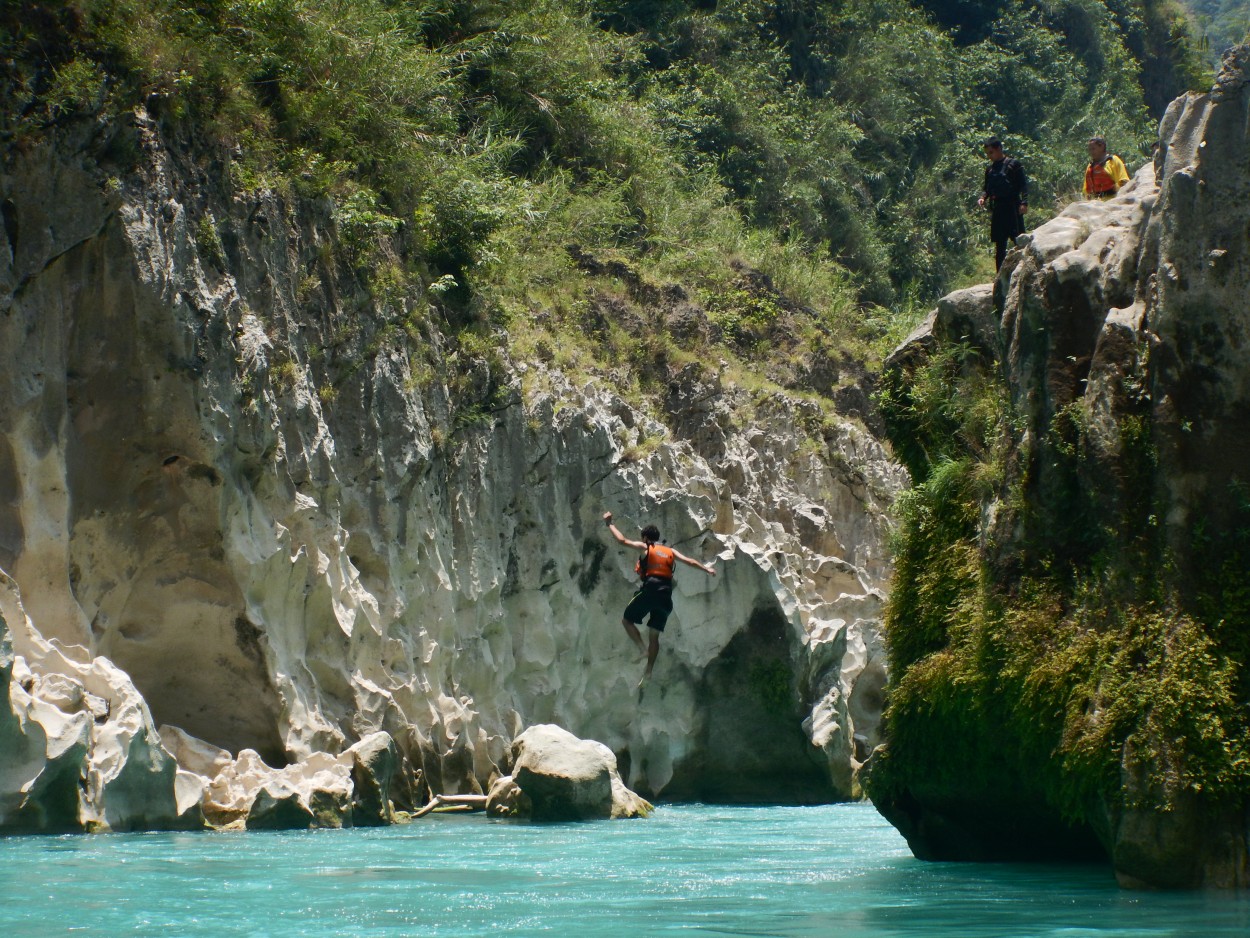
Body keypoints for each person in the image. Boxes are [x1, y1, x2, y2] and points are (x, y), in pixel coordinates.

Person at [603, 511, 716, 685]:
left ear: (646, 538)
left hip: (651, 591)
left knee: (627, 620)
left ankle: (642, 650)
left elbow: (622, 541)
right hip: (665, 598)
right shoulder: (670, 551)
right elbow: (690, 561)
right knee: (654, 636)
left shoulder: (646, 548)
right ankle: (648, 671)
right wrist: (706, 569)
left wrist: (609, 523)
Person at [977, 137, 1028, 271]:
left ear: (999, 149)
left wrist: (1024, 203)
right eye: (987, 153)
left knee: (1019, 240)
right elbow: (987, 188)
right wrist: (983, 198)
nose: (989, 156)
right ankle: (999, 276)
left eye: (991, 152)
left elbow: (1023, 185)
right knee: (1000, 245)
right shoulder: (990, 170)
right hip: (998, 209)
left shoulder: (1013, 164)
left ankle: (1025, 269)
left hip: (1012, 207)